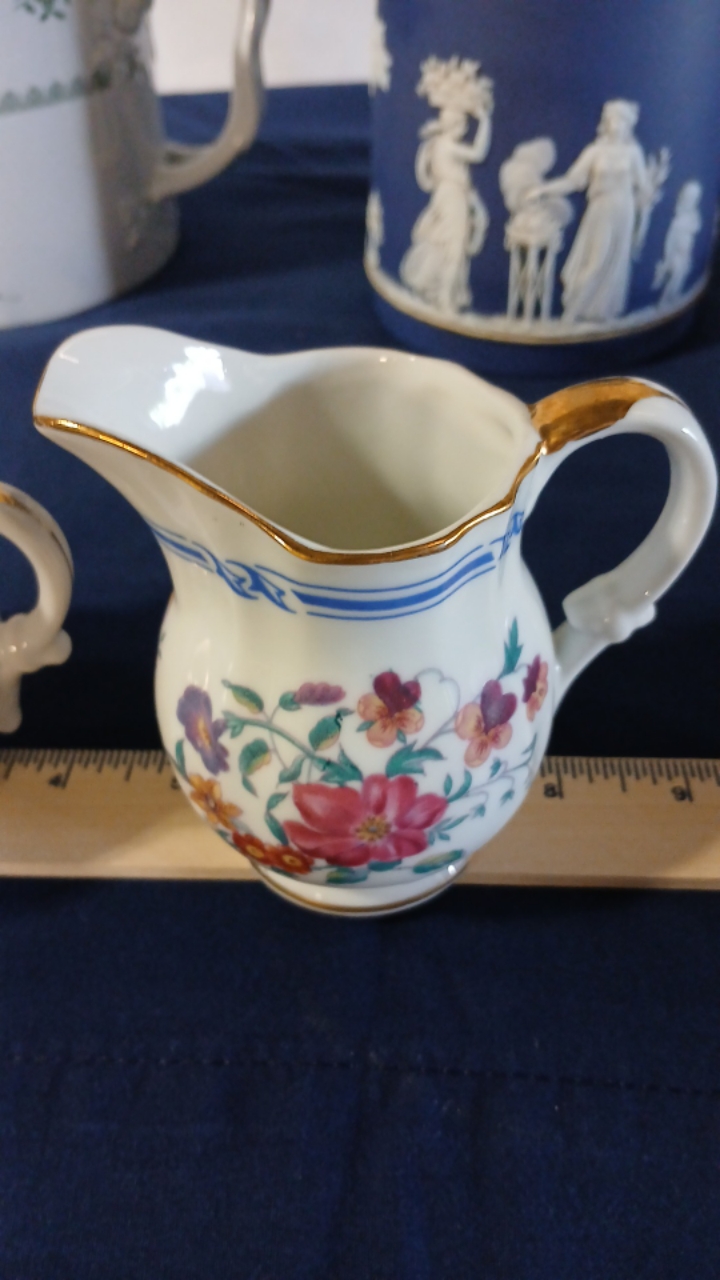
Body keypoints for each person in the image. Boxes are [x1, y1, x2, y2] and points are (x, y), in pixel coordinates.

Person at [530, 100, 669, 324]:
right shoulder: (594, 151)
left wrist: (655, 182)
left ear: (629, 125)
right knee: (595, 259)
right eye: (614, 120)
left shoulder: (633, 152)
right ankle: (573, 309)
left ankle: (601, 312)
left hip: (623, 210)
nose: (618, 125)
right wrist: (543, 189)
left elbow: (643, 186)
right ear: (606, 122)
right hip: (600, 209)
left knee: (616, 262)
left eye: (623, 121)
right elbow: (573, 181)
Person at [400, 59, 494, 314]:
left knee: (447, 246)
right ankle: (444, 298)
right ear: (456, 125)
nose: (465, 126)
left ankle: (443, 292)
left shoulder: (436, 144)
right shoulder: (448, 145)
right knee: (455, 247)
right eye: (463, 122)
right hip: (453, 197)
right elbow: (478, 153)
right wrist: (485, 121)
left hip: (447, 195)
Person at [653, 181, 703, 306]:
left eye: (694, 199)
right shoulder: (678, 222)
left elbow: (697, 226)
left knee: (679, 277)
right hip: (676, 255)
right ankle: (664, 301)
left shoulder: (692, 217)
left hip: (685, 255)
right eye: (688, 198)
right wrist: (668, 258)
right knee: (675, 278)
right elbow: (670, 241)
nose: (691, 201)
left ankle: (670, 299)